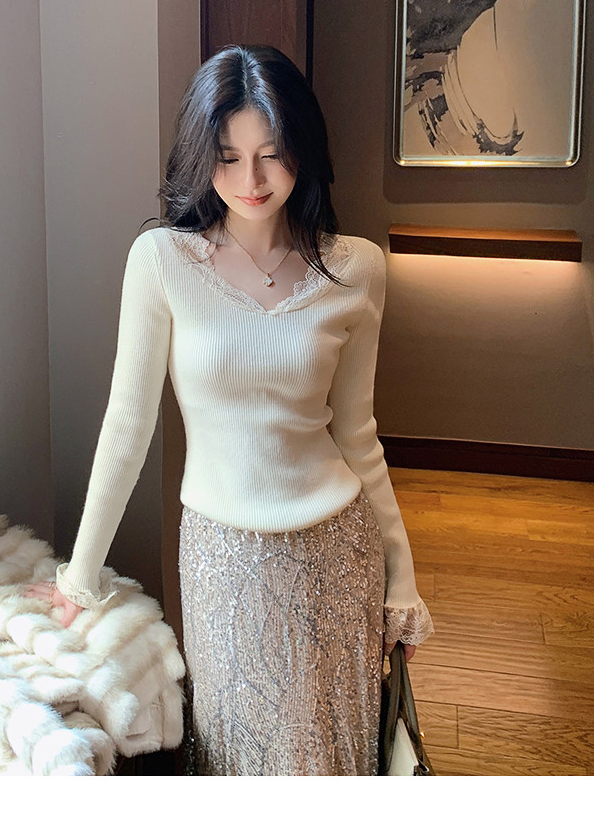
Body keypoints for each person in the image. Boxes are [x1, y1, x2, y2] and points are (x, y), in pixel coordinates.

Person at [28, 44, 434, 775]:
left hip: (335, 552)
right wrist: (78, 579)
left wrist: (400, 583)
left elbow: (358, 435)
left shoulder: (357, 267)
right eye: (228, 157)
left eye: (272, 155)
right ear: (200, 156)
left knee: (331, 762)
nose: (252, 180)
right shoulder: (162, 262)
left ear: (303, 151)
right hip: (221, 558)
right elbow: (127, 427)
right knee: (236, 759)